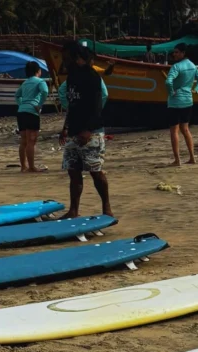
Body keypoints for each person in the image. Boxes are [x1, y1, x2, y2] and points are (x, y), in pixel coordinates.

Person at [59, 42, 113, 219]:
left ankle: (106, 208)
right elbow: (72, 105)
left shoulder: (92, 77)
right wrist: (66, 128)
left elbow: (97, 105)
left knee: (95, 171)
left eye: (66, 57)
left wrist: (89, 129)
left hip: (91, 132)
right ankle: (73, 210)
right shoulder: (72, 77)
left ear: (77, 58)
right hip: (74, 130)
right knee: (73, 171)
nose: (63, 61)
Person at [164, 43, 198, 166]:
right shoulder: (192, 65)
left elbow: (168, 81)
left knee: (174, 131)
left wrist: (171, 92)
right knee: (185, 129)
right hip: (188, 100)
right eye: (174, 52)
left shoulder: (176, 67)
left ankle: (177, 160)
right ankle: (192, 157)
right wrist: (196, 89)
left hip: (175, 102)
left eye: (176, 52)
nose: (174, 54)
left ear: (183, 53)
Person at [14, 60, 49, 173]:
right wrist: (39, 105)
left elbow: (17, 95)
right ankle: (32, 167)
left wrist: (22, 104)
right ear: (38, 71)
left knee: (23, 140)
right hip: (31, 111)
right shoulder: (40, 81)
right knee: (31, 141)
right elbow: (45, 92)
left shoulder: (24, 83)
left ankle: (23, 166)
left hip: (21, 112)